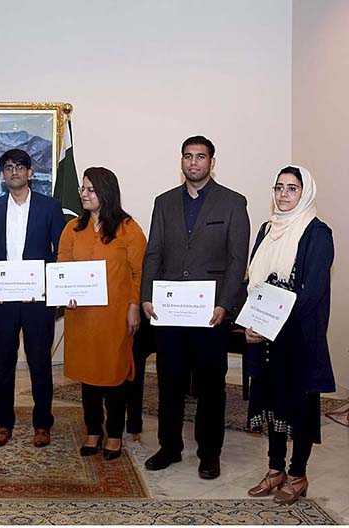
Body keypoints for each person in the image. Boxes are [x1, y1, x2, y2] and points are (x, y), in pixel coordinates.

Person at [141, 135, 250, 479]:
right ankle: (169, 447)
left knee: (210, 386)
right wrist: (146, 295)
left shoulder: (233, 203)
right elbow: (154, 252)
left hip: (211, 314)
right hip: (170, 312)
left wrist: (225, 304)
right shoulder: (164, 202)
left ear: (211, 162)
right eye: (188, 156)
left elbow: (237, 260)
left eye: (200, 157)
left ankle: (209, 453)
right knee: (168, 381)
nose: (193, 163)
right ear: (182, 161)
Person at [244, 166, 334, 504]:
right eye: (279, 187)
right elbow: (255, 283)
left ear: (305, 192)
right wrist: (251, 324)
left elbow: (310, 294)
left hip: (298, 338)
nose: (283, 194)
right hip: (267, 337)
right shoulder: (268, 229)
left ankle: (297, 475)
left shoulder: (317, 233)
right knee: (272, 403)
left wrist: (269, 324)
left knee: (298, 408)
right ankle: (274, 470)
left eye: (292, 188)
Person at [59, 167, 146, 460]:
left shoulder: (128, 228)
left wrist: (135, 306)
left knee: (114, 376)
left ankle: (115, 435)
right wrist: (64, 294)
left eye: (90, 189)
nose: (83, 194)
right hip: (81, 316)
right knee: (89, 377)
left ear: (106, 192)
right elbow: (63, 268)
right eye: (83, 188)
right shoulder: (72, 228)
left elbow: (139, 273)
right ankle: (92, 431)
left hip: (116, 317)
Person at [0, 149, 65, 447]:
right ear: (2, 175)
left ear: (30, 173)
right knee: (3, 364)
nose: (14, 171)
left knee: (39, 363)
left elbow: (60, 251)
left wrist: (49, 283)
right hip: (4, 300)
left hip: (37, 299)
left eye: (20, 167)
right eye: (8, 167)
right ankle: (3, 424)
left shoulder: (50, 207)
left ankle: (42, 424)